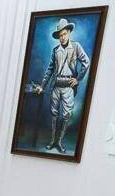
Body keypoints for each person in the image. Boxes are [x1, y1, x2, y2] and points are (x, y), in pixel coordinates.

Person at [33, 18, 91, 154]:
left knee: (66, 114)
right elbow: (49, 69)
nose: (62, 37)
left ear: (69, 32)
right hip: (56, 85)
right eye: (60, 35)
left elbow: (86, 62)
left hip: (69, 87)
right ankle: (52, 140)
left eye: (64, 34)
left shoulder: (76, 46)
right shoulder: (55, 50)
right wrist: (42, 86)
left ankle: (59, 141)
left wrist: (78, 79)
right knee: (54, 113)